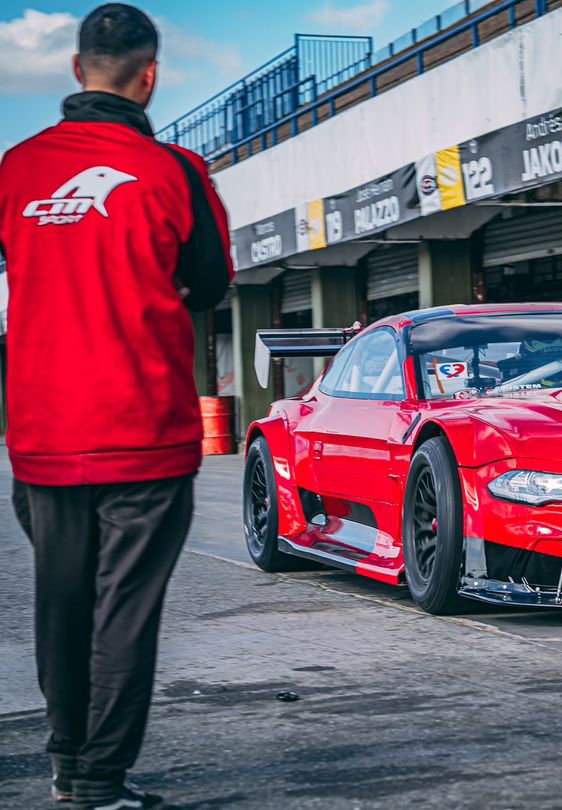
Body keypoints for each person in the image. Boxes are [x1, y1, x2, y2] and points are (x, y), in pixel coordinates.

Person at [0, 5, 233, 808]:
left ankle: (69, 764)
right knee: (124, 611)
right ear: (150, 75)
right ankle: (99, 780)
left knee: (60, 603)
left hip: (43, 430)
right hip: (143, 427)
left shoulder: (15, 169)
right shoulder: (176, 173)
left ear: (75, 71)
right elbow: (209, 285)